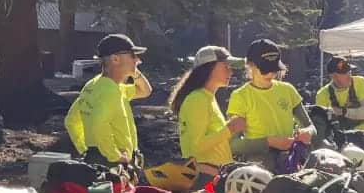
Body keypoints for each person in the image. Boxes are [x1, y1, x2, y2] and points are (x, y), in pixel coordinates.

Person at [228, 39, 316, 170]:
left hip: (291, 160)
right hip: (259, 166)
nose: (270, 74)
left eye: (274, 69)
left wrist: (307, 132)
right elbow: (234, 144)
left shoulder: (287, 90)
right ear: (250, 66)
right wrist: (268, 142)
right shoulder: (240, 96)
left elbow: (311, 127)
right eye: (265, 70)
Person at [65, 33, 152, 165]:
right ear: (115, 59)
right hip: (113, 163)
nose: (138, 60)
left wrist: (85, 149)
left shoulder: (97, 85)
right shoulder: (110, 91)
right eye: (133, 56)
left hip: (97, 157)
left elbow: (145, 91)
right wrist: (114, 156)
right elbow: (99, 122)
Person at [170, 46, 245, 184]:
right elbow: (196, 147)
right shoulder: (197, 99)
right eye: (226, 66)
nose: (231, 71)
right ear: (208, 67)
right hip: (205, 179)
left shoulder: (208, 97)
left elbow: (215, 142)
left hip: (215, 176)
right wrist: (230, 129)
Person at [314, 56, 364, 131]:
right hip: (339, 138)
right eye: (344, 73)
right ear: (333, 76)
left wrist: (343, 112)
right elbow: (321, 123)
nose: (349, 75)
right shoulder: (322, 95)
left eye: (349, 71)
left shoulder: (360, 82)